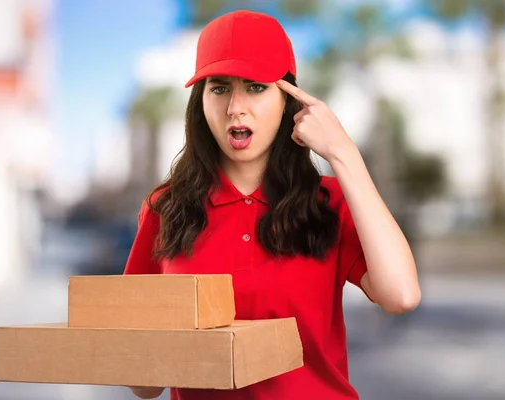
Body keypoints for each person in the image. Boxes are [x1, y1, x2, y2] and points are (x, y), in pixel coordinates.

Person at [124, 9, 421, 400]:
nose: (235, 107)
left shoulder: (327, 202)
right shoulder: (166, 208)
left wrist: (343, 153)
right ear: (201, 102)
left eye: (255, 87)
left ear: (289, 99)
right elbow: (144, 385)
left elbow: (401, 295)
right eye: (219, 88)